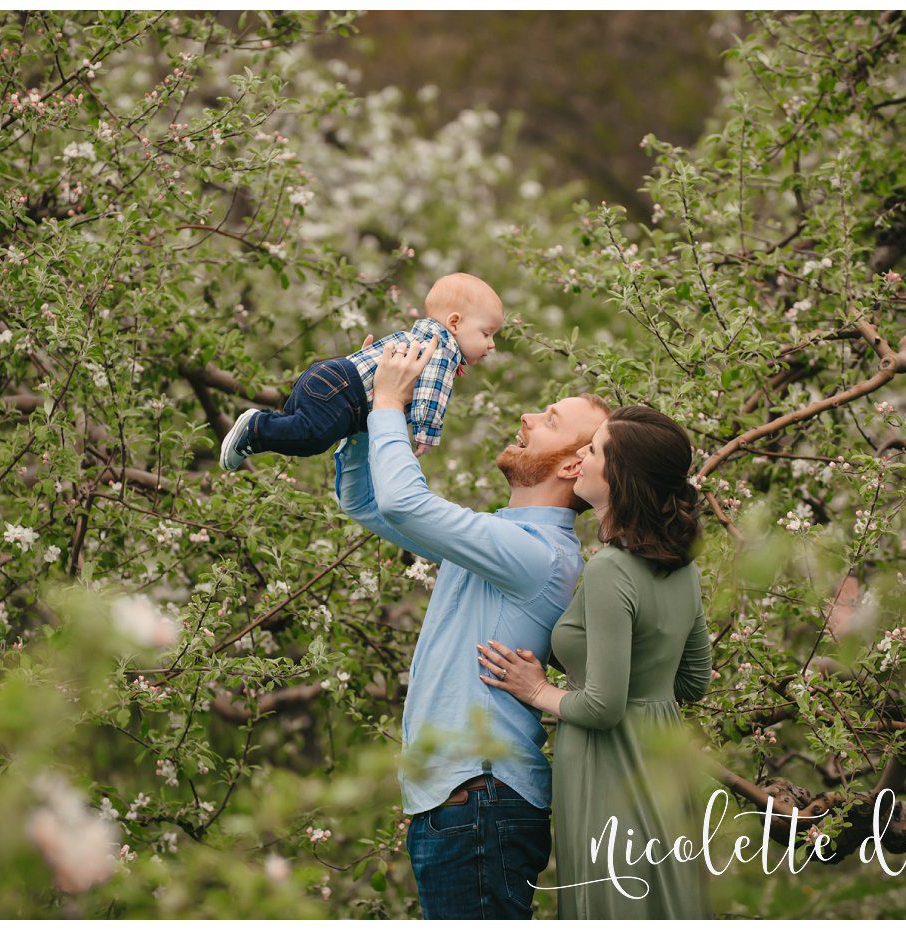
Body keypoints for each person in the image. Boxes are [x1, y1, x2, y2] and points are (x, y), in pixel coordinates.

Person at [335, 333, 609, 919]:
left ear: (573, 463)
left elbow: (407, 503)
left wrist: (389, 405)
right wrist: (366, 412)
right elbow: (368, 502)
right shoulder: (503, 539)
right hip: (463, 805)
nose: (527, 416)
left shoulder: (536, 553)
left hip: (481, 803)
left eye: (551, 418)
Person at [476, 405, 712, 918]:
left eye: (594, 449)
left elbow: (602, 706)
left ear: (620, 476)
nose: (580, 455)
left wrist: (538, 691)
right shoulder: (683, 570)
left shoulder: (610, 570)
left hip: (613, 767)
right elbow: (692, 683)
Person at [218, 273, 504, 470]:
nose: (490, 346)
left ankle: (261, 428)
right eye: (486, 333)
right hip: (342, 391)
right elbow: (431, 395)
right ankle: (255, 430)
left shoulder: (416, 337)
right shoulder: (441, 350)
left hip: (330, 378)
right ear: (454, 323)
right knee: (312, 437)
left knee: (300, 427)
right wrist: (426, 434)